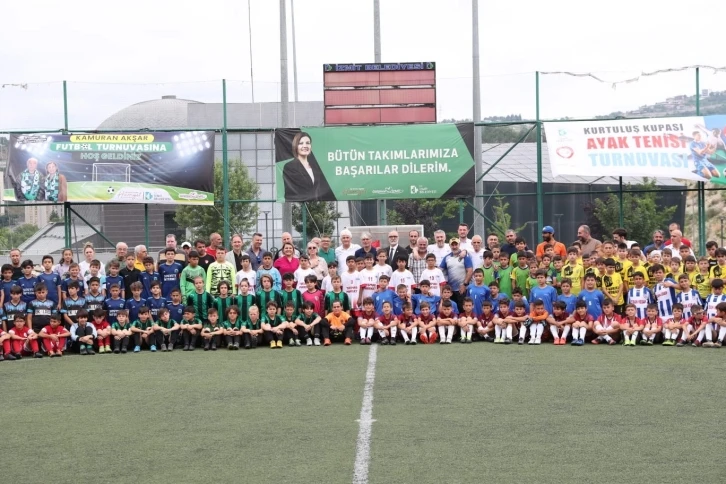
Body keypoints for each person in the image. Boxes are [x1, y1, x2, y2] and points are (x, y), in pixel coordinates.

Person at [281, 131, 335, 201]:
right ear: (295, 146)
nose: (305, 146)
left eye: (307, 143)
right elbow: (292, 192)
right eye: (301, 143)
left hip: (315, 204)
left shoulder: (315, 167)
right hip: (299, 204)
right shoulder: (289, 167)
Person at [439, 239, 473, 307]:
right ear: (449, 246)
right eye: (452, 245)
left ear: (459, 245)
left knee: (462, 309)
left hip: (462, 289)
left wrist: (464, 285)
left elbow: (470, 271)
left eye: (456, 245)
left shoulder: (465, 256)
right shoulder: (447, 257)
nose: (454, 247)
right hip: (450, 290)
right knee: (451, 308)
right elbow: (439, 270)